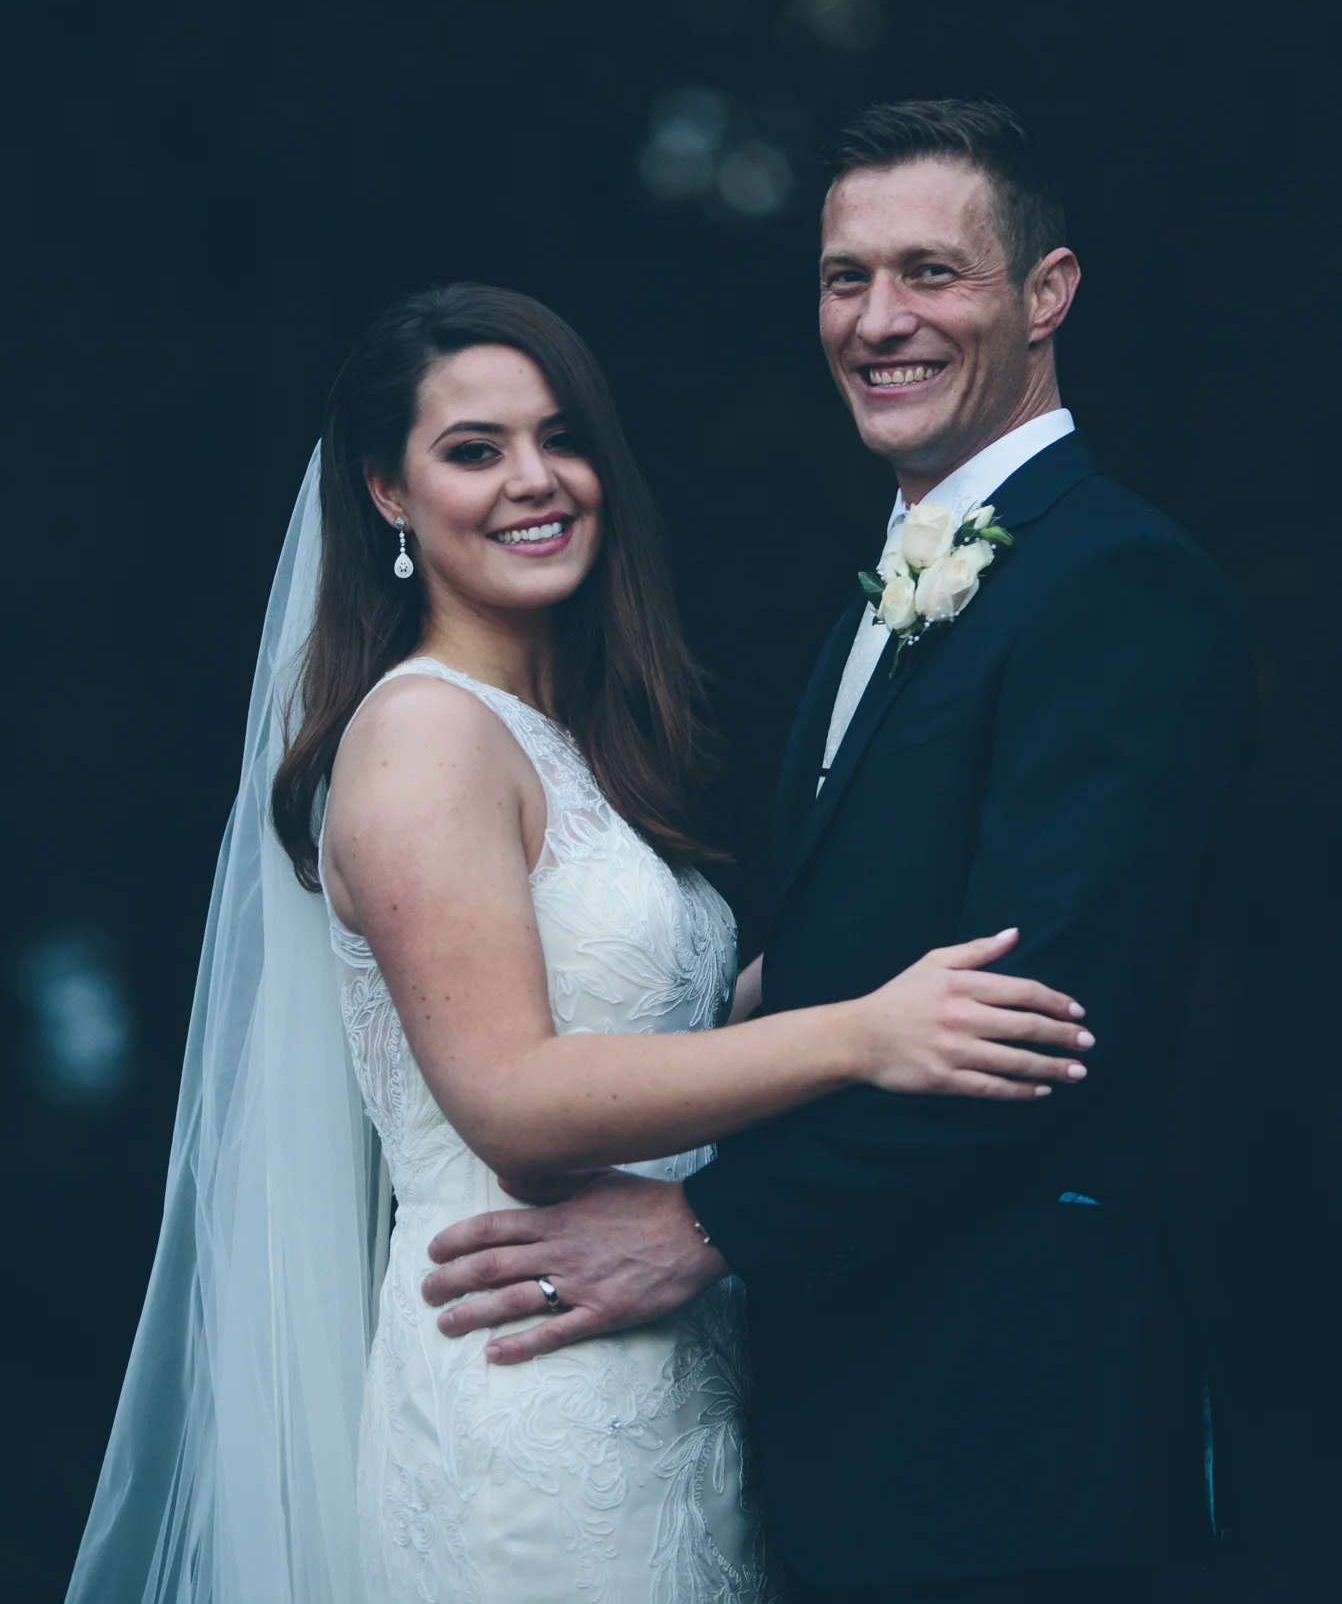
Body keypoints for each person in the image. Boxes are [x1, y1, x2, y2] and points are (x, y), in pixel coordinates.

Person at [66, 279, 1095, 1604]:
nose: (535, 481)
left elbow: (654, 1037)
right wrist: (862, 1036)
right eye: (474, 450)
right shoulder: (422, 735)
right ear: (387, 491)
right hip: (527, 1397)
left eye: (561, 437)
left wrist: (881, 942)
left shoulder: (555, 739)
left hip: (662, 1374)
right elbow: (514, 1100)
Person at [419, 104, 1256, 1604]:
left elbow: (1035, 1027)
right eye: (842, 278)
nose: (879, 322)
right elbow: (859, 955)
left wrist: (700, 1226)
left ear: (1046, 293)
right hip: (840, 1403)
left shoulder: (1116, 583)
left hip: (1008, 1425)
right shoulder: (893, 581)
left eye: (932, 273)